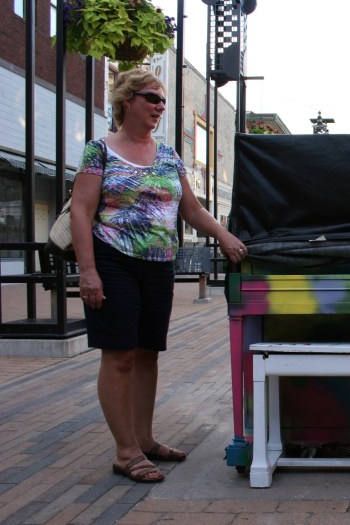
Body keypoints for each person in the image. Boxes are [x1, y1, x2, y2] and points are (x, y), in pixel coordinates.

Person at [71, 69, 248, 483]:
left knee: (148, 353)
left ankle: (146, 439)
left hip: (158, 265)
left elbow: (192, 210)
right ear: (127, 100)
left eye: (162, 100)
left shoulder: (168, 155)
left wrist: (223, 234)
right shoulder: (100, 151)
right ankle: (125, 452)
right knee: (120, 356)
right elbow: (81, 210)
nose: (159, 106)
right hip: (112, 260)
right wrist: (88, 271)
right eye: (152, 97)